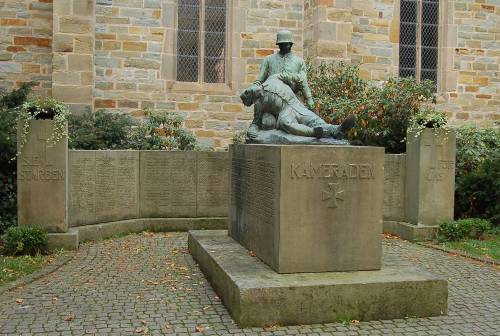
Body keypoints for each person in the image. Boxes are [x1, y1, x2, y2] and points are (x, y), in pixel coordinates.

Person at [241, 75, 355, 139]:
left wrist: (306, 95)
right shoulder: (258, 104)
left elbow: (297, 78)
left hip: (296, 104)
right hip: (284, 112)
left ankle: (337, 129)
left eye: (248, 92)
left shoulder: (273, 78)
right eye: (250, 99)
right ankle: (314, 132)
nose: (249, 92)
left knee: (313, 119)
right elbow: (255, 123)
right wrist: (251, 131)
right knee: (286, 123)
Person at [254, 30, 315, 110]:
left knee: (305, 115)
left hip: (292, 98)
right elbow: (259, 80)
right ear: (278, 44)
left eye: (285, 44)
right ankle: (256, 122)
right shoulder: (268, 60)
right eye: (281, 44)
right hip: (272, 97)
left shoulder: (299, 62)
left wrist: (309, 98)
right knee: (264, 115)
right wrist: (253, 88)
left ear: (291, 44)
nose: (283, 46)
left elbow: (303, 81)